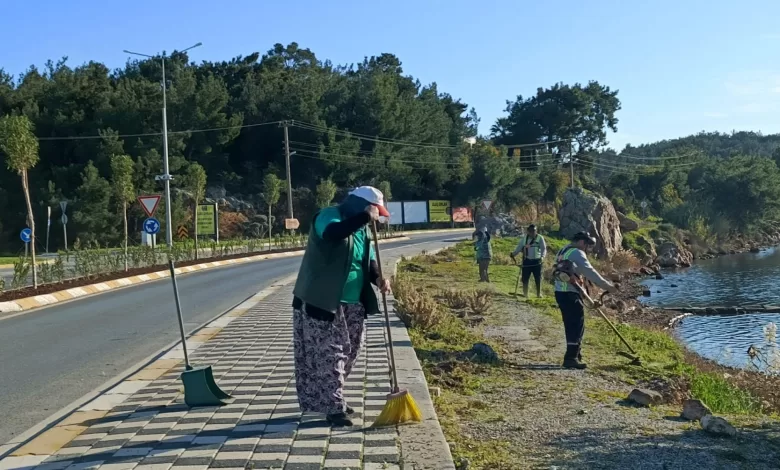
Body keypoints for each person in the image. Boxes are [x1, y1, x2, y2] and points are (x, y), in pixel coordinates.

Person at [291, 186, 392, 426]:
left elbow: (366, 259)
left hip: (354, 302)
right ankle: (334, 406)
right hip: (322, 301)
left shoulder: (363, 229)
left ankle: (329, 397)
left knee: (351, 352)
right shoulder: (329, 216)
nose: (376, 215)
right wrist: (365, 217)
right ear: (359, 204)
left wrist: (378, 278)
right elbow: (332, 234)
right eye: (374, 210)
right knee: (330, 354)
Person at [553, 231, 618, 370]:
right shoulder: (577, 252)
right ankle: (570, 358)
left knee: (570, 324)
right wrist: (608, 287)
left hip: (560, 292)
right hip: (570, 293)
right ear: (582, 242)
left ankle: (576, 353)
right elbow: (590, 272)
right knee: (576, 325)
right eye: (588, 245)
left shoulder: (563, 249)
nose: (589, 249)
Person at [511, 224, 547, 298]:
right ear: (528, 232)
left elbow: (544, 249)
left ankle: (538, 294)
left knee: (538, 278)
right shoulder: (524, 239)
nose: (532, 233)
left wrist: (542, 257)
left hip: (537, 262)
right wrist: (513, 254)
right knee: (525, 278)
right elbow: (519, 248)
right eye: (531, 231)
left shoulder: (540, 238)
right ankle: (525, 294)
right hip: (527, 261)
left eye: (534, 231)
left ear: (536, 231)